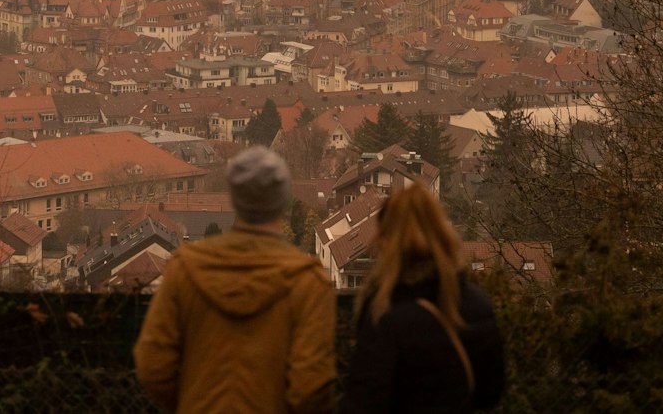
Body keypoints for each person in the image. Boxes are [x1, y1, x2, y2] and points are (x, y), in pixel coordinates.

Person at [134, 147, 337, 414]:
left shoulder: (186, 269)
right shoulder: (308, 283)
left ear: (234, 198)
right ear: (283, 200)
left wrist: (190, 402)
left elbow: (152, 367)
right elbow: (311, 386)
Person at [340, 184, 504, 414]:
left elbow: (363, 401)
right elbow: (490, 394)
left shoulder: (386, 315)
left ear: (387, 240)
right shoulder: (478, 305)